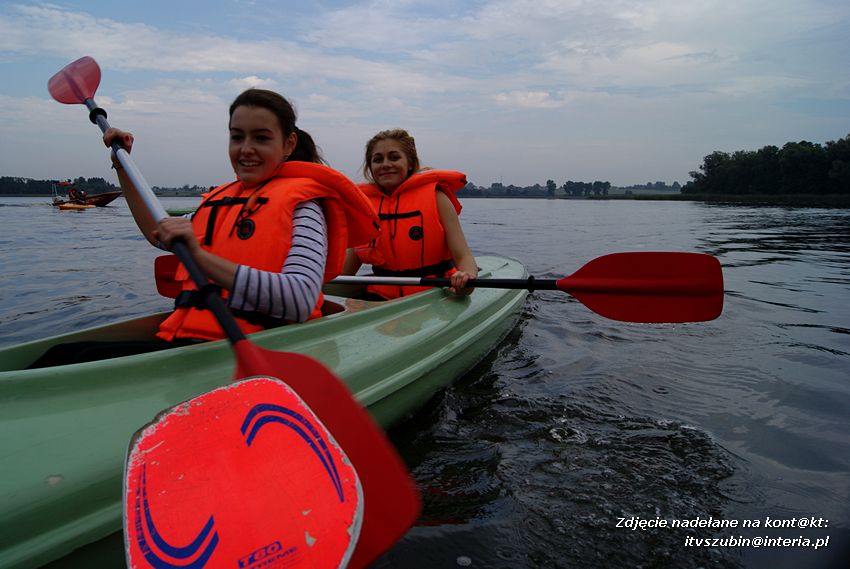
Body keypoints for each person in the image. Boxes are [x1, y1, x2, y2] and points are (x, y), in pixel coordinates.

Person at [29, 89, 377, 367]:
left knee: (64, 361)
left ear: (288, 145)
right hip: (191, 344)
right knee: (62, 355)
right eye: (237, 137)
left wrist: (201, 257)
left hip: (259, 350)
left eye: (261, 138)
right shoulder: (223, 200)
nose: (246, 149)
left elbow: (299, 300)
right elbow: (157, 232)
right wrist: (123, 164)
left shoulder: (305, 206)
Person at [343, 128, 477, 300]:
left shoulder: (437, 198)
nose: (385, 164)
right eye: (378, 159)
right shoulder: (363, 207)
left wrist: (466, 278)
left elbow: (463, 256)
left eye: (394, 157)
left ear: (410, 163)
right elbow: (344, 272)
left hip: (434, 294)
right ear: (370, 167)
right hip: (380, 298)